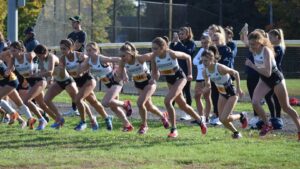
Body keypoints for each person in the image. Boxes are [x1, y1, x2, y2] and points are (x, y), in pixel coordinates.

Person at [245, 30, 300, 140]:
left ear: (260, 42)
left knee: (286, 107)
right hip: (264, 79)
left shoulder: (266, 51)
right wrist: (244, 32)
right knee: (255, 102)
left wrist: (252, 66)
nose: (252, 47)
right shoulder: (252, 48)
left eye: (254, 44)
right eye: (250, 44)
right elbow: (245, 40)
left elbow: (268, 72)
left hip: (275, 79)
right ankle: (267, 124)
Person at [150, 37, 207, 138]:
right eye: (152, 48)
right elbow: (155, 73)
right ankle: (200, 120)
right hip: (170, 80)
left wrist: (190, 74)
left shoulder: (171, 53)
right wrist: (153, 78)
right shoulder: (154, 57)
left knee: (167, 101)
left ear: (163, 47)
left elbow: (188, 57)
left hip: (180, 78)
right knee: (182, 105)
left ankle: (174, 129)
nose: (153, 51)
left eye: (155, 48)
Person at [60, 39, 112, 131]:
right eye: (61, 49)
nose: (62, 51)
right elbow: (62, 74)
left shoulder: (79, 55)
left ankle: (83, 122)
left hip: (88, 80)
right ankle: (106, 118)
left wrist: (105, 64)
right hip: (77, 83)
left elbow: (91, 61)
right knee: (93, 102)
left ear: (70, 48)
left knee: (78, 100)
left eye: (64, 49)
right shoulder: (63, 59)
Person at [79, 42, 132, 131]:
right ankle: (127, 125)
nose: (88, 52)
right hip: (109, 85)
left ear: (96, 51)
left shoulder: (101, 58)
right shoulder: (88, 60)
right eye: (87, 51)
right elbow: (79, 71)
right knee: (114, 107)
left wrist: (124, 73)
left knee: (105, 102)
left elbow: (119, 59)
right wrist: (81, 60)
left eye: (90, 50)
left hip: (116, 81)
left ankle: (125, 104)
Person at [118, 42, 170, 134]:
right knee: (149, 107)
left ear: (130, 54)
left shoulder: (140, 58)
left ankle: (144, 125)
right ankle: (163, 115)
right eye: (121, 56)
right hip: (138, 84)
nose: (122, 58)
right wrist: (124, 75)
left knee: (140, 103)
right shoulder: (123, 62)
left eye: (124, 56)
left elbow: (154, 55)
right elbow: (120, 73)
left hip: (149, 83)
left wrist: (156, 71)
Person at [202, 45, 247, 139]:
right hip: (222, 93)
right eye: (202, 61)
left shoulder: (219, 67)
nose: (203, 63)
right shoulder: (205, 71)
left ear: (212, 59)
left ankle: (241, 115)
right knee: (222, 119)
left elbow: (236, 73)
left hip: (232, 93)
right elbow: (208, 85)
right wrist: (203, 90)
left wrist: (239, 88)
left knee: (223, 118)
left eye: (205, 61)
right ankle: (236, 133)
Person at [9, 41, 51, 130]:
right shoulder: (13, 59)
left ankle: (42, 120)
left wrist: (42, 68)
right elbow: (8, 70)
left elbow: (41, 55)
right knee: (41, 105)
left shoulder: (28, 56)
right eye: (11, 51)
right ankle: (56, 118)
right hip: (31, 83)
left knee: (26, 101)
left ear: (20, 49)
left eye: (14, 51)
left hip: (40, 81)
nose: (13, 53)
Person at [0, 48, 37, 129]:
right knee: (19, 103)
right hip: (7, 82)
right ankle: (29, 119)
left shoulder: (1, 55)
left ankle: (12, 113)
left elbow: (9, 52)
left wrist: (11, 62)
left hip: (10, 81)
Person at [34, 44, 66, 128]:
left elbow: (50, 71)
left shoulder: (51, 57)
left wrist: (37, 75)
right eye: (38, 56)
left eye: (40, 55)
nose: (39, 58)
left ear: (45, 52)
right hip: (59, 81)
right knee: (46, 100)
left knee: (79, 101)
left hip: (67, 80)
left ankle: (89, 121)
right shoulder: (41, 59)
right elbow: (44, 71)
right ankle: (59, 118)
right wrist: (48, 79)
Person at [170, 27, 196, 121]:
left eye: (182, 34)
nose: (180, 36)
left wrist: (179, 44)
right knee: (173, 91)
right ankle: (170, 112)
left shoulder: (191, 43)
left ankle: (187, 113)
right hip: (176, 71)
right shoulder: (177, 43)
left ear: (188, 34)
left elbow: (188, 52)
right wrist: (173, 42)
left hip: (185, 71)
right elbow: (171, 50)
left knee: (187, 92)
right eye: (179, 34)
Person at [64, 15, 87, 116]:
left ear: (79, 23)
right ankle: (74, 109)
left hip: (79, 62)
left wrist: (72, 47)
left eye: (75, 22)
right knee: (73, 85)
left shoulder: (82, 34)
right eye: (72, 22)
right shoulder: (70, 34)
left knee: (81, 85)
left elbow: (78, 46)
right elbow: (68, 47)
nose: (73, 24)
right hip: (71, 62)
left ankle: (80, 107)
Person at [266, 28, 285, 129]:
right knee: (269, 96)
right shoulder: (272, 47)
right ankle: (274, 117)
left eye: (270, 37)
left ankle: (277, 117)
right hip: (271, 74)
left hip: (276, 74)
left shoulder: (278, 48)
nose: (268, 39)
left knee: (275, 97)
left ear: (277, 37)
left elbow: (272, 56)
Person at [193, 34, 212, 123]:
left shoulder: (212, 50)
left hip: (207, 77)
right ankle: (201, 116)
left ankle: (207, 117)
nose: (204, 44)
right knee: (197, 96)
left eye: (206, 43)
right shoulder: (201, 50)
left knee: (207, 97)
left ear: (209, 42)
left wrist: (200, 62)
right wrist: (200, 61)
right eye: (202, 43)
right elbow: (194, 61)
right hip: (199, 77)